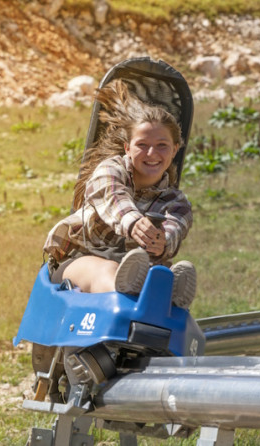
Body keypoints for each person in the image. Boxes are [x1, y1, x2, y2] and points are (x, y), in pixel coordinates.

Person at [43, 79, 196, 309]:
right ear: (127, 148)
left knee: (157, 271)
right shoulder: (111, 169)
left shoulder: (177, 203)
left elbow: (175, 227)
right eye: (142, 145)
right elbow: (113, 197)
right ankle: (138, 294)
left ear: (175, 150)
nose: (151, 153)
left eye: (162, 145)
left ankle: (167, 294)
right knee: (107, 270)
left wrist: (162, 242)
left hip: (138, 267)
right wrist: (133, 223)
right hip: (80, 259)